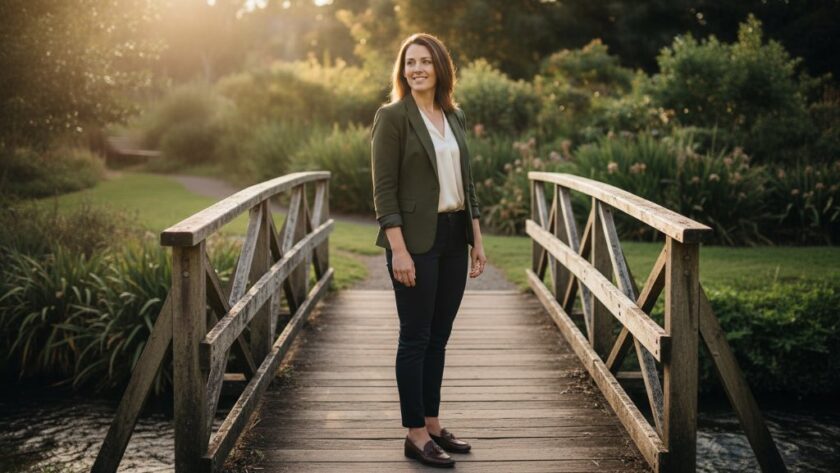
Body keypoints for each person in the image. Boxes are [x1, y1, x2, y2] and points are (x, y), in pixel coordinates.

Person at [370, 32, 487, 468]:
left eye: (424, 61)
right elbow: (384, 191)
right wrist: (398, 251)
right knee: (415, 336)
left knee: (439, 336)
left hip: (455, 236)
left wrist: (476, 238)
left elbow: (467, 184)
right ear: (403, 71)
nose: (416, 69)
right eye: (410, 62)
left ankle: (433, 424)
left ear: (440, 67)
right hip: (414, 241)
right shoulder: (392, 117)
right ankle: (415, 433)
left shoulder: (453, 115)